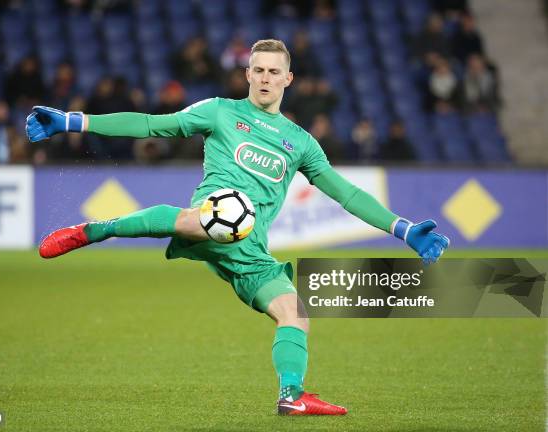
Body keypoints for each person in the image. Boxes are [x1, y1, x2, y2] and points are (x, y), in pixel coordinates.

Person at [25, 39, 449, 416]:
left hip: (251, 250)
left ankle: (292, 395)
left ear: (289, 78)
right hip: (214, 220)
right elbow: (153, 125)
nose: (265, 78)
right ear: (247, 74)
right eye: (258, 70)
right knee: (207, 218)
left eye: (274, 72)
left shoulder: (301, 143)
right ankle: (95, 231)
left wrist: (404, 229)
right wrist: (71, 121)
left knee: (295, 314)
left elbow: (346, 194)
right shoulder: (219, 112)